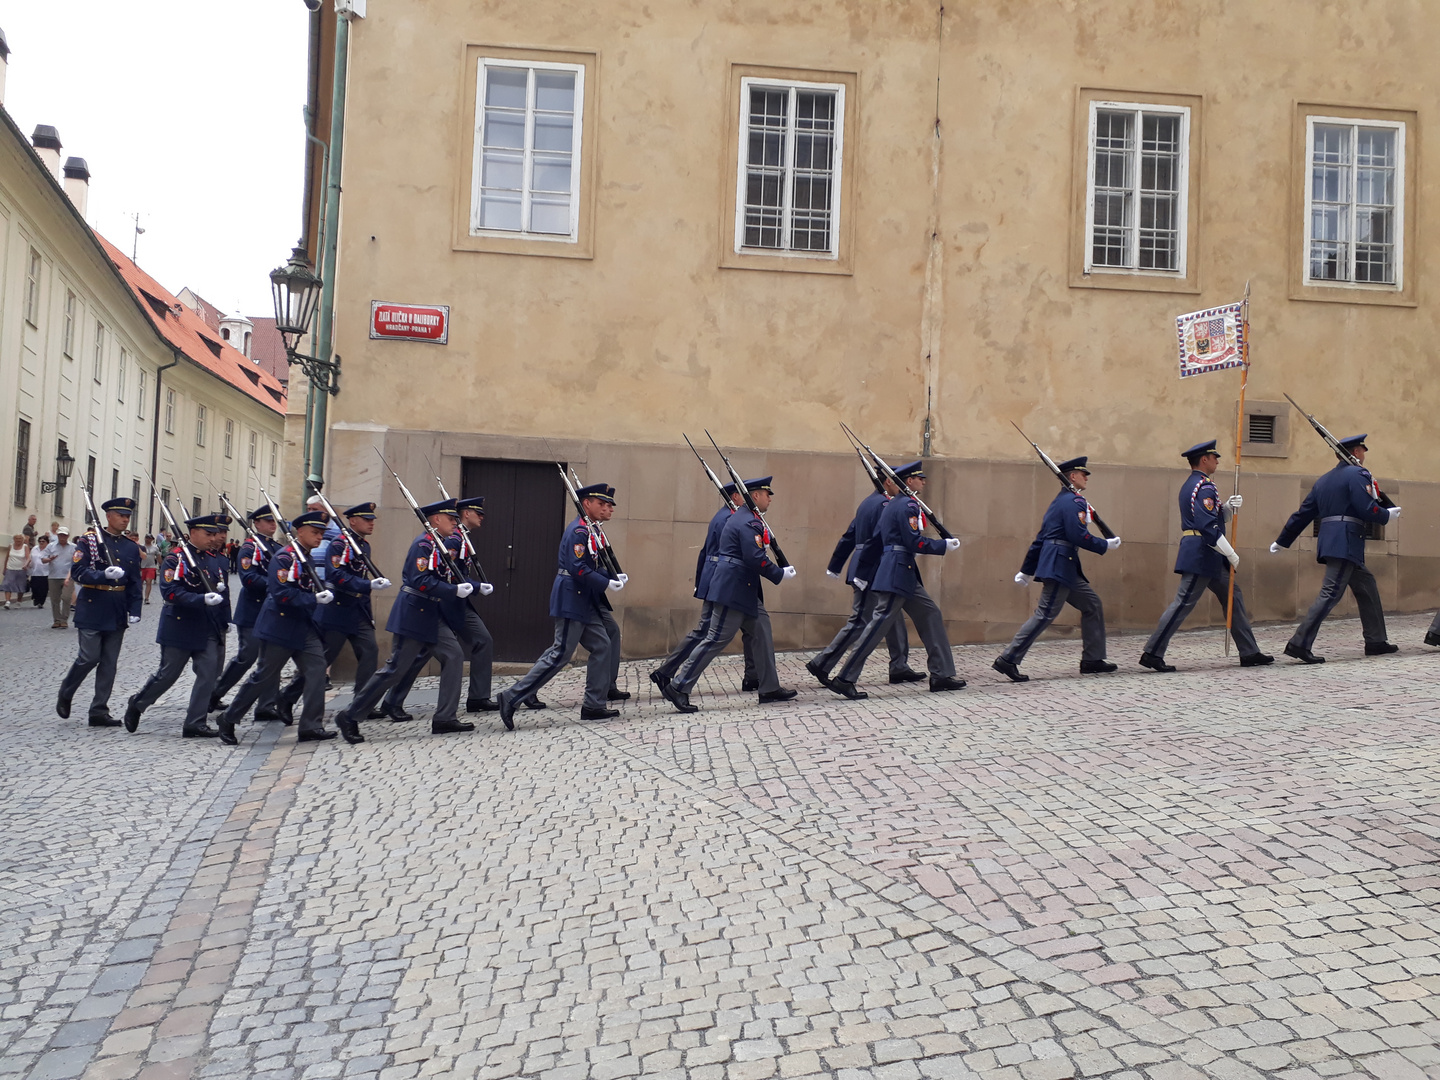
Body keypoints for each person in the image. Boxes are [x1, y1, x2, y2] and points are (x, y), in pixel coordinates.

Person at [333, 499, 476, 742]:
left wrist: (469, 586)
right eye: (450, 518)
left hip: (431, 613)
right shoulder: (423, 545)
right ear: (435, 520)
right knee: (395, 669)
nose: (455, 522)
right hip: (414, 614)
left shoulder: (438, 545)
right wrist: (454, 591)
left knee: (454, 656)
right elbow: (420, 580)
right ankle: (350, 715)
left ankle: (445, 718)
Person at [827, 463, 964, 698]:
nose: (923, 481)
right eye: (919, 478)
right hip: (898, 572)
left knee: (930, 614)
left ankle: (941, 673)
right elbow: (913, 542)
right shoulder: (908, 505)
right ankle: (844, 678)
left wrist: (862, 571)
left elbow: (875, 541)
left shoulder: (891, 505)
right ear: (908, 482)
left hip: (901, 572)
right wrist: (942, 545)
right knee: (876, 627)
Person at [661, 477, 798, 712]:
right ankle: (678, 686)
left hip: (742, 589)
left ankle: (769, 687)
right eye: (767, 494)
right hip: (733, 588)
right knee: (715, 639)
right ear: (755, 496)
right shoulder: (747, 522)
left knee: (762, 630)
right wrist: (778, 574)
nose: (770, 499)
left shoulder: (747, 518)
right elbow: (754, 557)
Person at [1138, 441, 1273, 671]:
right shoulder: (1204, 487)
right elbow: (1207, 526)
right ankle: (1152, 652)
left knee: (1233, 596)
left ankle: (1249, 651)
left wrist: (1226, 509)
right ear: (1204, 460)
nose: (1217, 461)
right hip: (1201, 552)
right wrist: (1230, 552)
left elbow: (1209, 516)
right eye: (1214, 457)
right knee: (1183, 603)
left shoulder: (1193, 485)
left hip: (1207, 553)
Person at [498, 484, 626, 727]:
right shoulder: (579, 531)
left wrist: (610, 577)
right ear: (586, 503)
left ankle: (594, 704)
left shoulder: (589, 530)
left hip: (584, 599)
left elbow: (591, 563)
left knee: (602, 645)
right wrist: (605, 582)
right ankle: (511, 696)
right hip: (572, 597)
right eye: (600, 503)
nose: (605, 508)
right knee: (560, 653)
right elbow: (578, 568)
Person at [216, 510, 342, 746]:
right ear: (300, 532)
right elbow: (282, 593)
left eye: (321, 533)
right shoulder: (285, 558)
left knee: (316, 670)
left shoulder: (306, 556)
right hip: (279, 627)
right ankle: (229, 717)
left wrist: (321, 593)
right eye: (315, 533)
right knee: (263, 676)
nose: (319, 537)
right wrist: (314, 599)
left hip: (303, 627)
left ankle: (311, 726)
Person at [1272, 433, 1399, 663]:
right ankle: (1299, 644)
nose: (1364, 455)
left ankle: (1376, 640)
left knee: (1367, 585)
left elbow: (1303, 514)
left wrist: (1283, 539)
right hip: (1346, 541)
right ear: (1356, 453)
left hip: (1332, 540)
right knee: (1330, 593)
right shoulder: (1358, 473)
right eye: (1362, 450)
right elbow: (1365, 507)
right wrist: (1385, 516)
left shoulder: (1323, 480)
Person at [994, 456, 1120, 681]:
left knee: (1091, 604)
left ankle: (1093, 659)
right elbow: (1077, 535)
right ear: (1072, 477)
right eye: (1083, 474)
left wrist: (1027, 569)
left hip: (1064, 566)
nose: (1087, 477)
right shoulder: (1074, 502)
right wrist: (1104, 544)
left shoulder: (1059, 502)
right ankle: (1008, 659)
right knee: (1045, 614)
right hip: (1060, 564)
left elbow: (1040, 539)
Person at [276, 502, 393, 719]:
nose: (371, 523)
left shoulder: (363, 545)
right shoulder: (339, 545)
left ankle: (362, 704)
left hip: (358, 611)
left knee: (370, 653)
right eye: (367, 519)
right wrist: (367, 585)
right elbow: (335, 575)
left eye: (372, 519)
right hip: (336, 611)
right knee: (322, 660)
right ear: (352, 521)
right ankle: (288, 696)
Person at [123, 515, 233, 738]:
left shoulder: (215, 559)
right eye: (208, 534)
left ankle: (195, 722)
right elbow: (170, 592)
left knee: (209, 673)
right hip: (180, 625)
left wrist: (225, 620)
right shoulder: (176, 559)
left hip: (207, 626)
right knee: (168, 674)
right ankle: (138, 702)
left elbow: (224, 592)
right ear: (193, 533)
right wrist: (199, 599)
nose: (214, 539)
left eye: (215, 534)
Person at [805, 477, 920, 690]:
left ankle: (899, 665)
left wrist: (836, 564)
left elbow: (849, 535)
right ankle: (822, 663)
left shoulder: (868, 502)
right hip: (872, 567)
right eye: (897, 482)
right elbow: (879, 539)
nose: (901, 487)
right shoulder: (885, 504)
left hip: (869, 565)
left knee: (892, 617)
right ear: (887, 482)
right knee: (861, 620)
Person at [650, 483, 760, 692]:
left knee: (749, 628)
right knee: (707, 632)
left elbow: (704, 552)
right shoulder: (730, 518)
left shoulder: (723, 515)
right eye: (743, 496)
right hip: (726, 581)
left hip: (716, 579)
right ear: (735, 497)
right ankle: (667, 672)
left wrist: (701, 582)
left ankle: (753, 675)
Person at [56, 499, 143, 725]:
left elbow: (134, 580)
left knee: (109, 663)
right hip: (93, 605)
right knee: (89, 657)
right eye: (120, 515)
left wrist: (135, 608)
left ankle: (99, 710)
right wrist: (102, 575)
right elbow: (78, 572)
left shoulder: (131, 547)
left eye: (128, 516)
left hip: (116, 609)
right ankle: (67, 691)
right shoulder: (89, 541)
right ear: (108, 516)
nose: (125, 520)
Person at [209, 508, 285, 722]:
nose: (273, 524)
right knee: (247, 657)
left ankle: (266, 705)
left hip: (273, 612)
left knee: (272, 659)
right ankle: (216, 692)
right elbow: (248, 578)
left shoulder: (277, 548)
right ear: (257, 524)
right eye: (268, 521)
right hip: (253, 610)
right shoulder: (250, 548)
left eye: (274, 520)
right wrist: (274, 585)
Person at [43, 527, 75, 628]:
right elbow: (43, 559)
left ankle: (64, 619)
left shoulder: (73, 547)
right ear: (57, 535)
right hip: (53, 576)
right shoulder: (51, 546)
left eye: (64, 535)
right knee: (55, 599)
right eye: (60, 535)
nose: (62, 537)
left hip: (68, 576)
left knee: (66, 597)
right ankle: (57, 620)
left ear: (68, 536)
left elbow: (76, 562)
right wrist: (49, 559)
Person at [4, 534, 29, 608]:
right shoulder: (11, 546)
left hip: (21, 569)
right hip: (10, 568)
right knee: (7, 584)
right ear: (14, 539)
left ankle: (18, 601)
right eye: (17, 538)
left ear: (23, 539)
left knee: (20, 586)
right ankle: (7, 601)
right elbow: (7, 557)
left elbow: (28, 557)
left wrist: (26, 565)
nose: (18, 540)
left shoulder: (25, 547)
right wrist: (5, 568)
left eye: (20, 538)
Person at [28, 536, 50, 608]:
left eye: (43, 541)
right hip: (35, 571)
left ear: (47, 542)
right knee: (34, 587)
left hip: (45, 572)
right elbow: (30, 558)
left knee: (43, 588)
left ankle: (41, 602)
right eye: (40, 541)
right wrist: (28, 566)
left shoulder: (49, 550)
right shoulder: (35, 549)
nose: (41, 543)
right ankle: (36, 598)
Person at [140, 535, 158, 603]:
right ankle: (140, 596)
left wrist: (161, 564)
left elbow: (158, 556)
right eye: (147, 538)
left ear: (152, 539)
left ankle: (146, 598)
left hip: (151, 566)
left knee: (148, 582)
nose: (148, 539)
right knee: (140, 583)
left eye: (149, 538)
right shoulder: (141, 546)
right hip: (142, 566)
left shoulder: (155, 547)